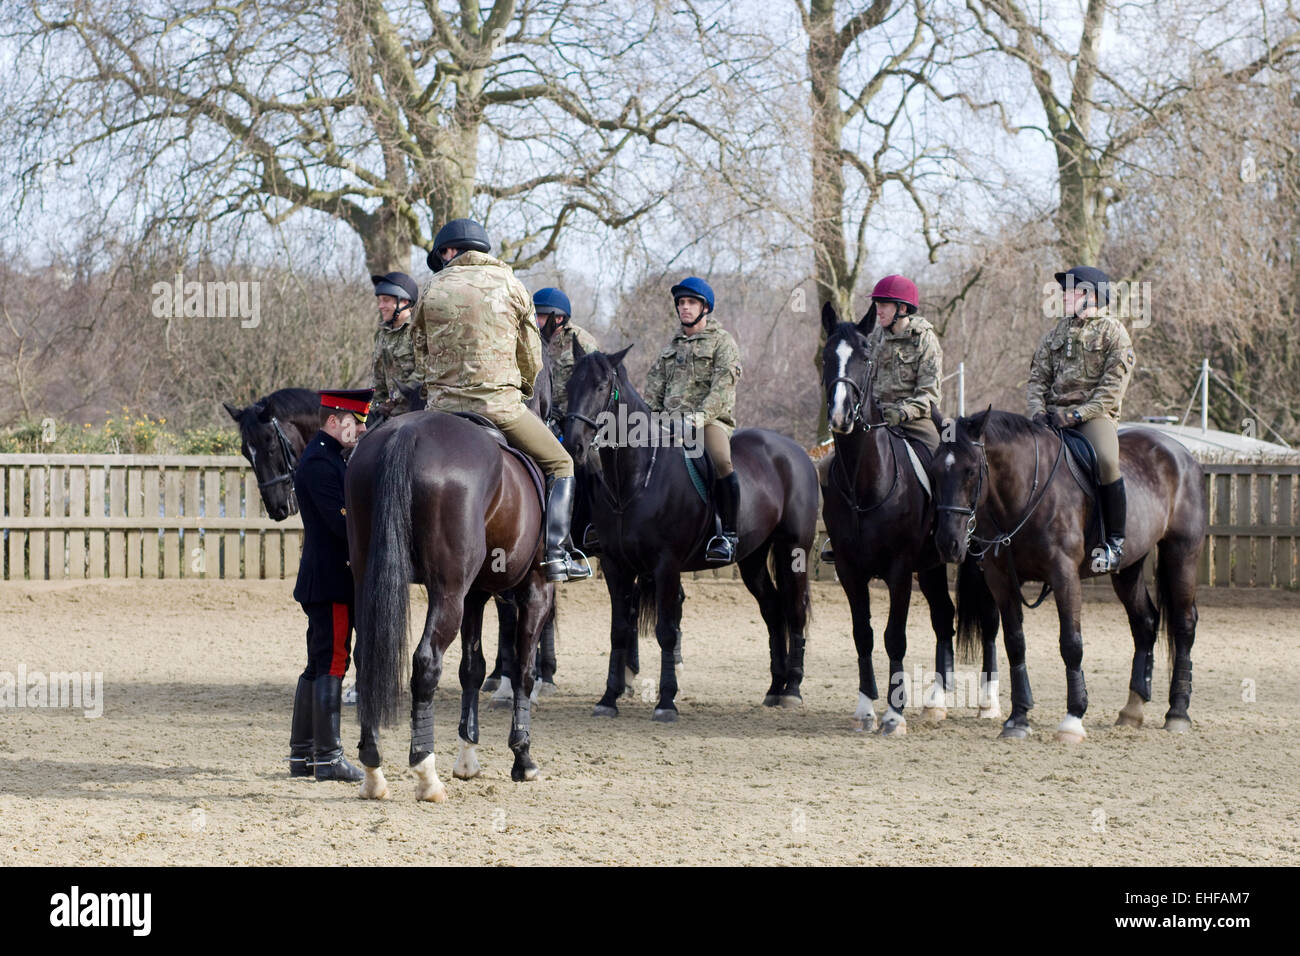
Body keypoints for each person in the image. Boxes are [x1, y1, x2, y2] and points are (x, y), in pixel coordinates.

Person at [411, 218, 590, 582]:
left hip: (441, 410)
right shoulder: (511, 284)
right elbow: (532, 356)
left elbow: (418, 351)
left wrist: (441, 387)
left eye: (441, 254)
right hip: (499, 407)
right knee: (562, 462)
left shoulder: (430, 288)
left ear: (450, 250)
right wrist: (521, 391)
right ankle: (556, 554)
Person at [1027, 264, 1136, 573]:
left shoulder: (1114, 332)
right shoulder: (1055, 334)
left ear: (1091, 296)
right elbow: (1037, 380)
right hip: (1051, 416)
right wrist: (1037, 412)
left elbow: (1111, 391)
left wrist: (1076, 414)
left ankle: (1114, 541)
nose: (1063, 296)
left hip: (1093, 417)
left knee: (1106, 460)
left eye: (1070, 291)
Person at [288, 388, 372, 783]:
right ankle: (329, 757)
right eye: (355, 422)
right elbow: (342, 524)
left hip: (322, 578)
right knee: (335, 661)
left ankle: (302, 754)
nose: (360, 429)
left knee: (318, 662)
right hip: (332, 579)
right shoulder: (322, 463)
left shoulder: (325, 457)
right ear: (333, 421)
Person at [644, 276, 743, 564]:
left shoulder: (722, 343)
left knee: (721, 460)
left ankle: (727, 535)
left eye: (691, 302)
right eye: (681, 303)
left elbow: (722, 388)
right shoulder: (670, 348)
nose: (684, 308)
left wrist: (696, 420)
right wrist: (654, 421)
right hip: (668, 425)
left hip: (710, 422)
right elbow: (652, 392)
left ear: (705, 308)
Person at [863, 275, 942, 454]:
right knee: (826, 467)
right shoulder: (875, 338)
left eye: (883, 306)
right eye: (877, 306)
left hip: (913, 421)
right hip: (874, 417)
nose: (878, 312)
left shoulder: (924, 339)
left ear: (902, 308)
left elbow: (929, 395)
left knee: (939, 459)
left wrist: (901, 413)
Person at [533, 286, 598, 423]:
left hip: (571, 417)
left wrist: (566, 410)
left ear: (558, 318)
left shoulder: (583, 342)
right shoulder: (530, 337)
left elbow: (595, 387)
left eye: (541, 316)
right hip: (536, 411)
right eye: (535, 315)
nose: (536, 320)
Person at [369, 271, 421, 418]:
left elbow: (423, 374)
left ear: (405, 302)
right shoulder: (382, 335)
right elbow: (377, 381)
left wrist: (394, 400)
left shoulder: (419, 332)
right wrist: (372, 411)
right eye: (379, 300)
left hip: (415, 416)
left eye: (386, 300)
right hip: (387, 416)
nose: (381, 306)